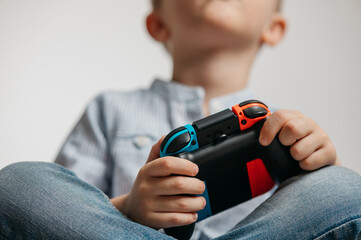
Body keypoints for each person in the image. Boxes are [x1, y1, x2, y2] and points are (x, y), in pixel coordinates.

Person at [0, 0, 360, 239]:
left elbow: (327, 213)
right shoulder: (109, 109)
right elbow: (66, 210)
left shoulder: (285, 128)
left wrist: (326, 168)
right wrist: (131, 208)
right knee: (18, 184)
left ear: (274, 28)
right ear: (158, 24)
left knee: (344, 188)